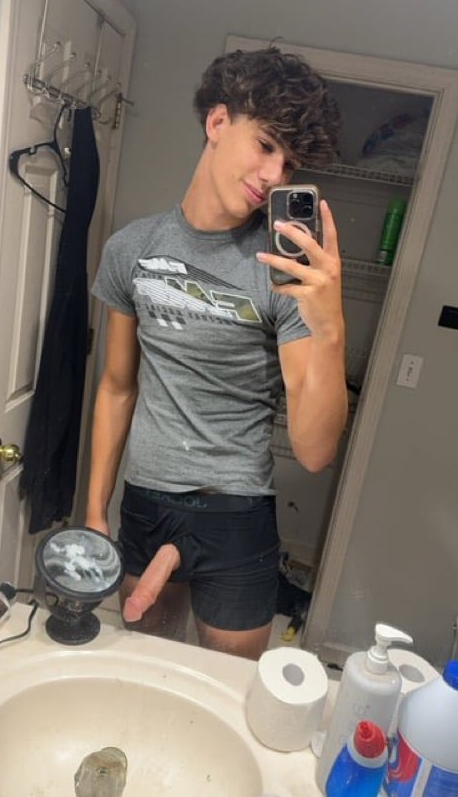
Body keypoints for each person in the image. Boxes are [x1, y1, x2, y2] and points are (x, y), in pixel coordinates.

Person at [85, 46, 348, 660]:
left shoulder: (283, 272)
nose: (275, 175)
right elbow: (117, 387)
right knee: (144, 669)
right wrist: (96, 511)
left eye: (290, 163)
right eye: (266, 145)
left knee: (226, 692)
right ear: (218, 121)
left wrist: (331, 327)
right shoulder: (130, 248)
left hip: (237, 515)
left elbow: (314, 452)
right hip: (145, 501)